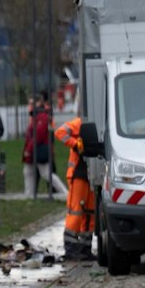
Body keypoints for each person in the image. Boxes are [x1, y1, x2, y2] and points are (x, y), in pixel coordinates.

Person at [54, 111, 97, 260]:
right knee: (76, 211)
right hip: (79, 174)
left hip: (92, 174)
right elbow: (60, 132)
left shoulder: (101, 123)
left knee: (90, 212)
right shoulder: (80, 123)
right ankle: (71, 248)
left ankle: (85, 248)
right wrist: (75, 144)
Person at [22, 97, 67, 199]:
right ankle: (28, 194)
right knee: (28, 172)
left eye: (32, 104)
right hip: (33, 149)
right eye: (29, 104)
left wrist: (28, 149)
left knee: (46, 173)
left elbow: (39, 135)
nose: (30, 106)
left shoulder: (42, 117)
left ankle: (65, 192)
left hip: (38, 150)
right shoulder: (36, 117)